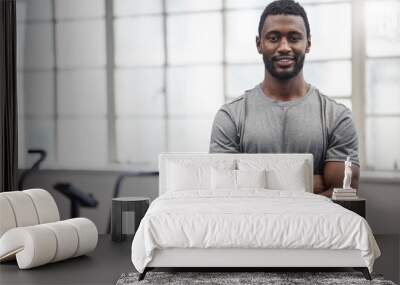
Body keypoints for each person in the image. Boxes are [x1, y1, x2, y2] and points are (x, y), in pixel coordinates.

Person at [209, 0, 359, 197]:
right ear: (259, 44)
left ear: (308, 44)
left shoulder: (337, 117)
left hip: (314, 228)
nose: (284, 47)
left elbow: (344, 192)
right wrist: (310, 182)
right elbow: (224, 192)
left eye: (294, 38)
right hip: (250, 227)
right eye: (273, 38)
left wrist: (257, 182)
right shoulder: (230, 116)